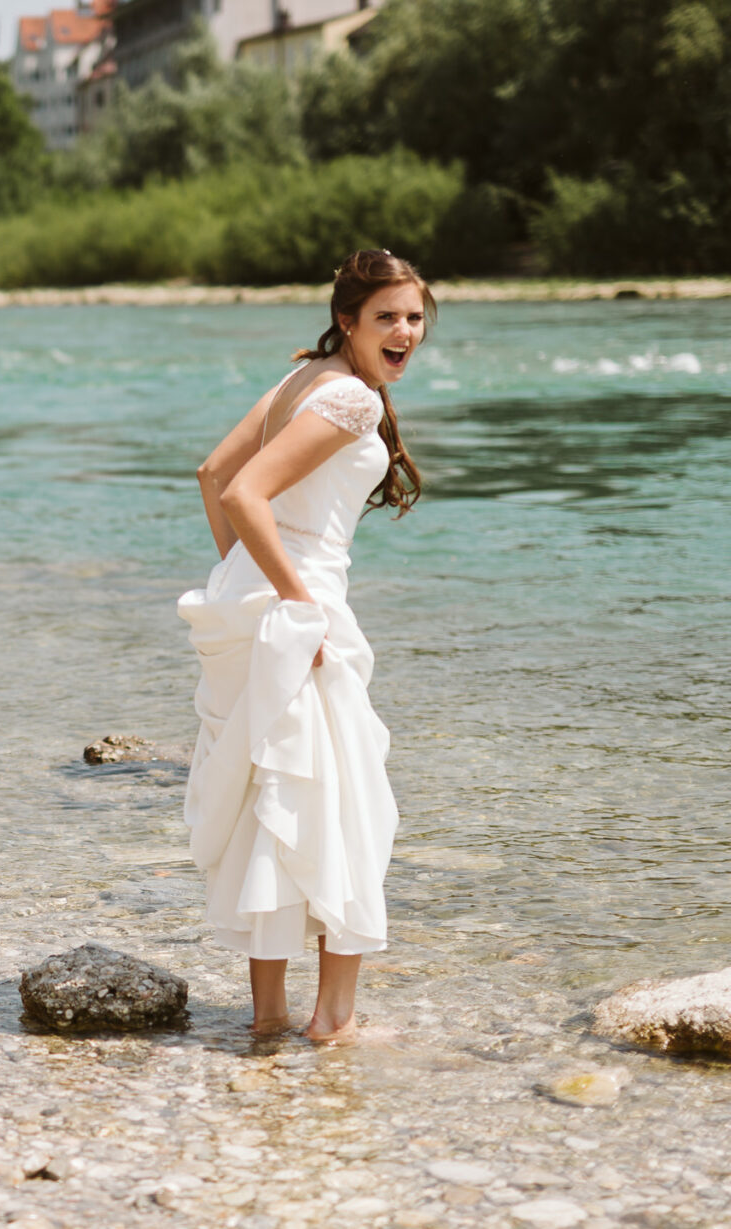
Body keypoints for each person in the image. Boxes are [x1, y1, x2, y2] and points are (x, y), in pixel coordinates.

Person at [179, 249, 430, 1041]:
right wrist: (296, 601)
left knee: (272, 797)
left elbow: (212, 473)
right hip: (301, 603)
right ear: (348, 319)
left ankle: (268, 1016)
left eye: (416, 316)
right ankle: (335, 1019)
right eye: (387, 315)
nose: (405, 331)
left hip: (257, 599)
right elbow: (243, 488)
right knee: (343, 802)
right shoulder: (351, 398)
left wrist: (242, 574)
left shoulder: (301, 378)